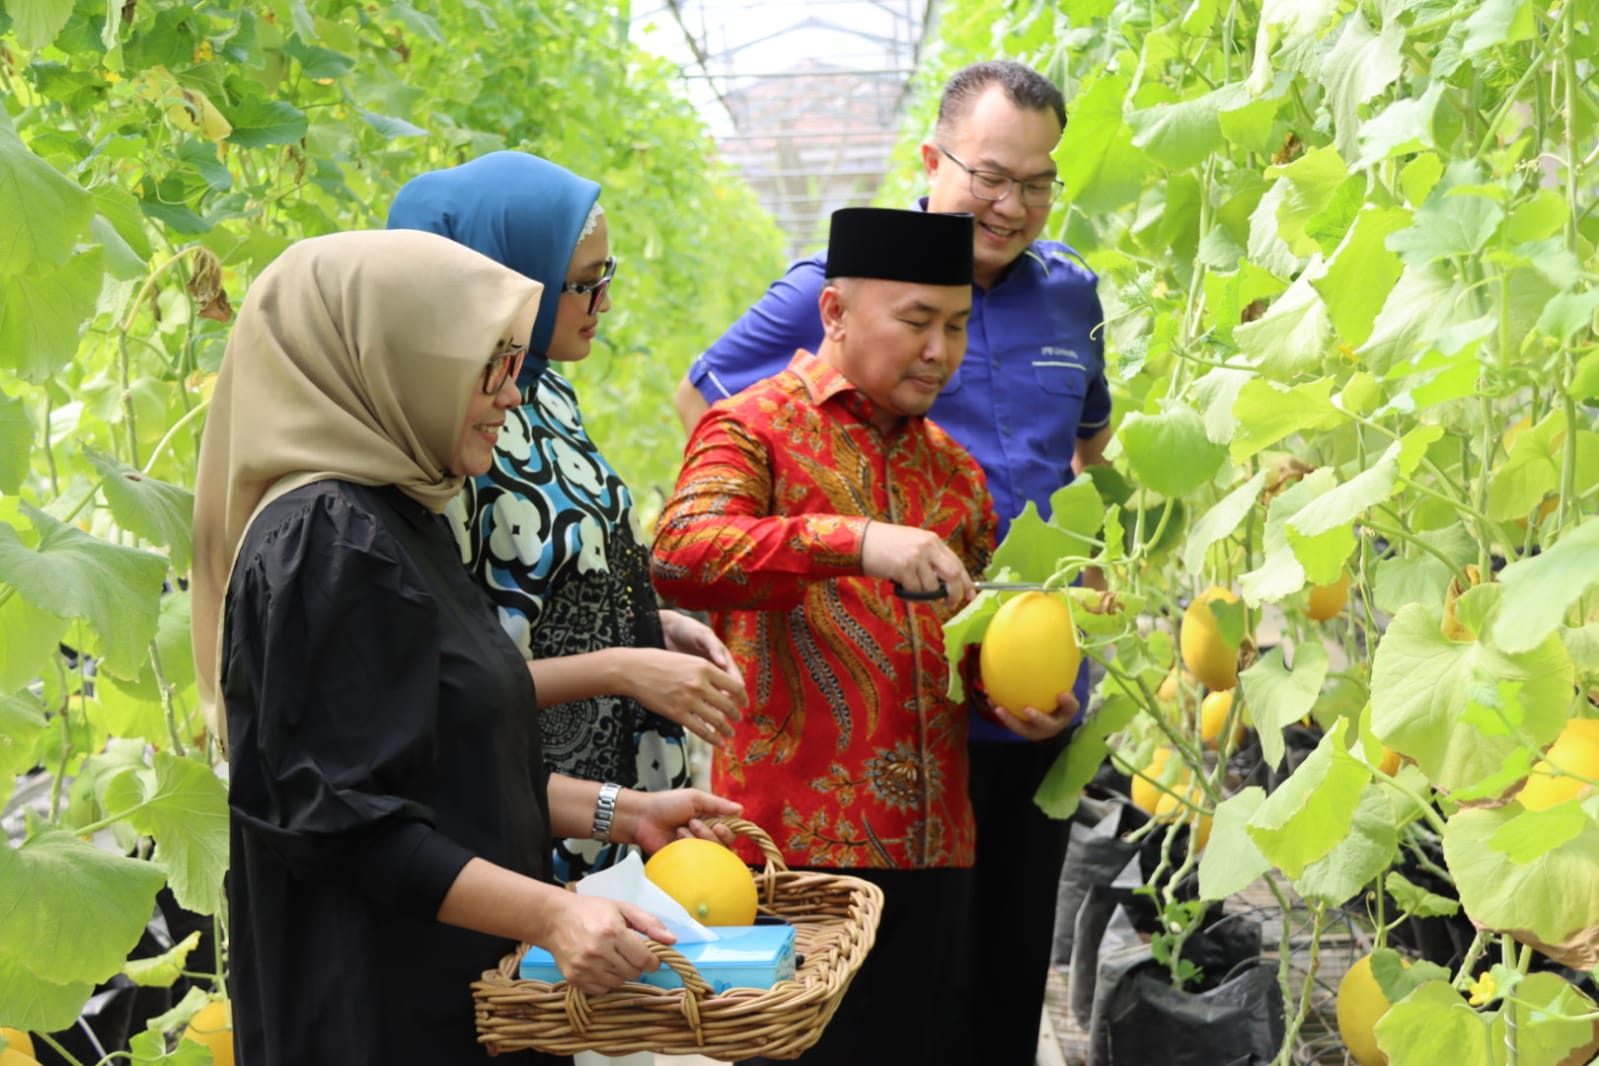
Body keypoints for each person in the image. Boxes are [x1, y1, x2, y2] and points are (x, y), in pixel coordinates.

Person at [190, 229, 742, 1066]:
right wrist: (551, 914)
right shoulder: (325, 539)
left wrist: (625, 812)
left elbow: (441, 762)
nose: (509, 396)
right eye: (485, 368)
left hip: (448, 989)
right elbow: (343, 820)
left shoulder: (399, 513)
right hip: (378, 1010)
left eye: (513, 367)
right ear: (384, 360)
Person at [670, 61, 1111, 1065]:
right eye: (917, 323)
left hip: (942, 811)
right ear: (833, 314)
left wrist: (1021, 683)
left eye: (955, 326)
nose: (940, 352)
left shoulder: (951, 471)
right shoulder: (763, 424)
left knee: (963, 1020)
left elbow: (963, 626)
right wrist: (849, 542)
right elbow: (686, 546)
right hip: (806, 824)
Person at [386, 151, 748, 884]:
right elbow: (446, 675)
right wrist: (622, 668)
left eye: (606, 277)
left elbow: (571, 563)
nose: (603, 304)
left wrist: (650, 623)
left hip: (620, 787)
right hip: (531, 797)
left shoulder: (544, 395)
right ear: (506, 276)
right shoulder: (449, 426)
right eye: (583, 285)